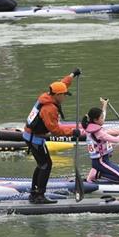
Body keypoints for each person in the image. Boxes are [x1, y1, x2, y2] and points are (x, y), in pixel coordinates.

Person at [23, 69, 82, 204]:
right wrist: (72, 132)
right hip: (34, 139)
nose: (65, 97)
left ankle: (34, 193)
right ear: (57, 95)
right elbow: (54, 130)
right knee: (45, 165)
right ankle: (39, 196)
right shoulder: (49, 108)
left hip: (32, 136)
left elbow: (63, 83)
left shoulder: (49, 95)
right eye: (64, 95)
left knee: (42, 164)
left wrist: (72, 75)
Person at [82, 99, 119, 184]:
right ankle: (97, 174)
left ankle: (97, 173)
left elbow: (103, 115)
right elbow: (116, 140)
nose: (103, 119)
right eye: (101, 118)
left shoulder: (93, 124)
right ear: (95, 120)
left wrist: (104, 105)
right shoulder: (98, 133)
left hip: (105, 160)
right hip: (99, 162)